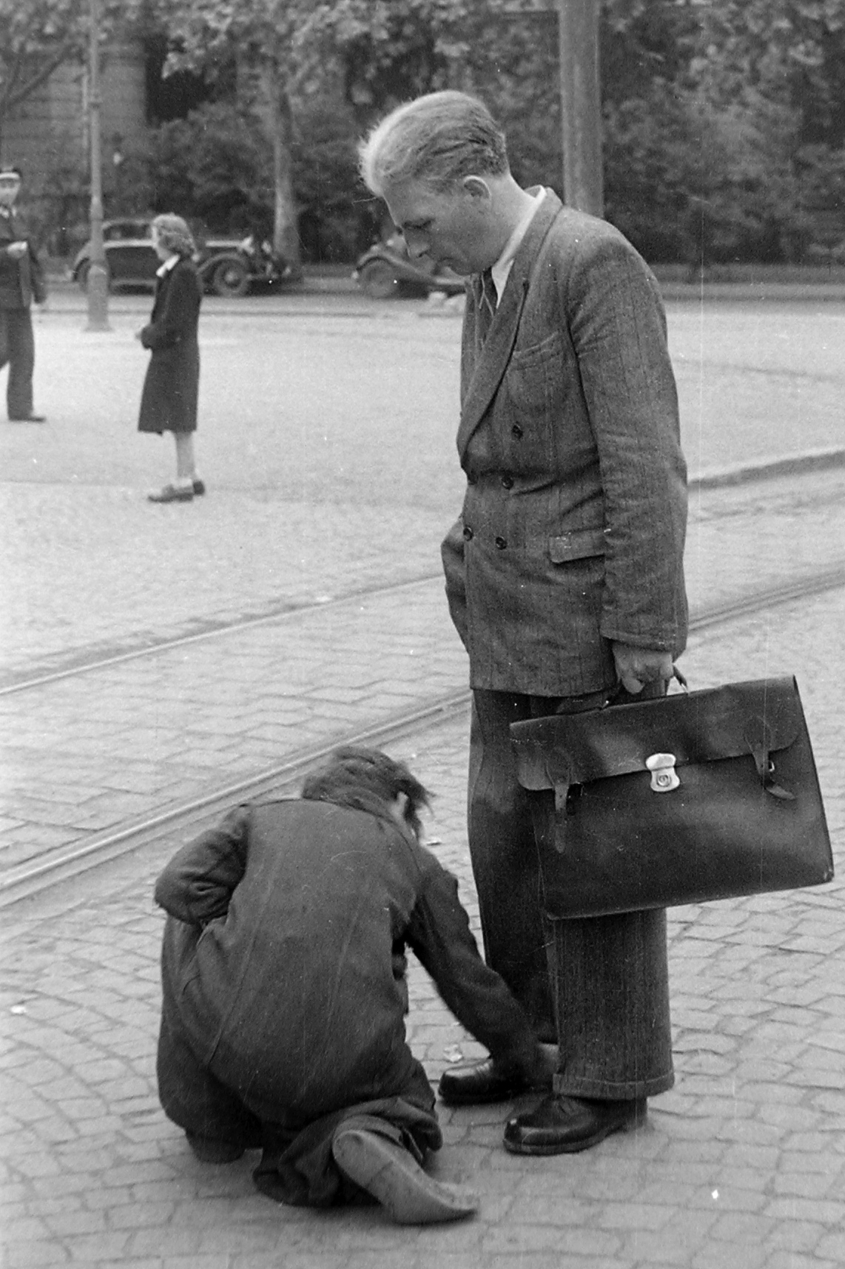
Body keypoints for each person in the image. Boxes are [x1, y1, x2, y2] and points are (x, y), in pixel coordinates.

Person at [357, 91, 688, 1156]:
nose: (407, 245)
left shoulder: (591, 263)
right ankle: (533, 1046)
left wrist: (644, 630)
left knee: (596, 855)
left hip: (587, 624)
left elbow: (646, 463)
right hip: (503, 619)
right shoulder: (487, 281)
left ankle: (610, 1075)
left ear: (472, 182)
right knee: (508, 849)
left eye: (416, 221)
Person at [155, 745, 548, 1223]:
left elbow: (175, 885)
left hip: (230, 1045)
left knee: (184, 924)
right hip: (349, 1065)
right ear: (401, 803)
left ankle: (211, 1123)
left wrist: (245, 930)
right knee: (405, 1104)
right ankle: (369, 1131)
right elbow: (467, 982)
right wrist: (522, 1056)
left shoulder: (258, 818)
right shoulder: (418, 863)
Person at [137, 214, 204, 503]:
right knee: (181, 416)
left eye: (155, 238)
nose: (153, 246)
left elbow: (173, 323)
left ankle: (182, 480)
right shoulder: (181, 270)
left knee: (179, 420)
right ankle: (192, 475)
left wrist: (146, 335)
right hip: (180, 353)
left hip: (175, 355)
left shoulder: (182, 273)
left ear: (167, 240)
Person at [0, 166, 47, 423]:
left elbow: (33, 257)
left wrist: (41, 294)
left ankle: (20, 409)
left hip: (20, 296)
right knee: (2, 350)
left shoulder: (21, 218)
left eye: (12, 185)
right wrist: (6, 253)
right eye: (3, 185)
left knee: (25, 353)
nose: (7, 191)